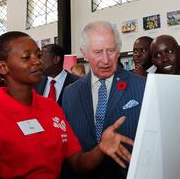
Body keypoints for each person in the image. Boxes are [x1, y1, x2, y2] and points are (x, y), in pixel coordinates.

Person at [0, 31, 134, 179]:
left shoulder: (51, 107)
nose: (37, 62)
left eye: (38, 56)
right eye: (26, 57)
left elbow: (77, 162)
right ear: (3, 67)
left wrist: (101, 149)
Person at [62, 21, 146, 179]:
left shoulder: (142, 86)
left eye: (111, 51)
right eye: (98, 52)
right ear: (84, 54)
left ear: (119, 50)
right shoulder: (70, 93)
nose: (106, 60)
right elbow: (68, 149)